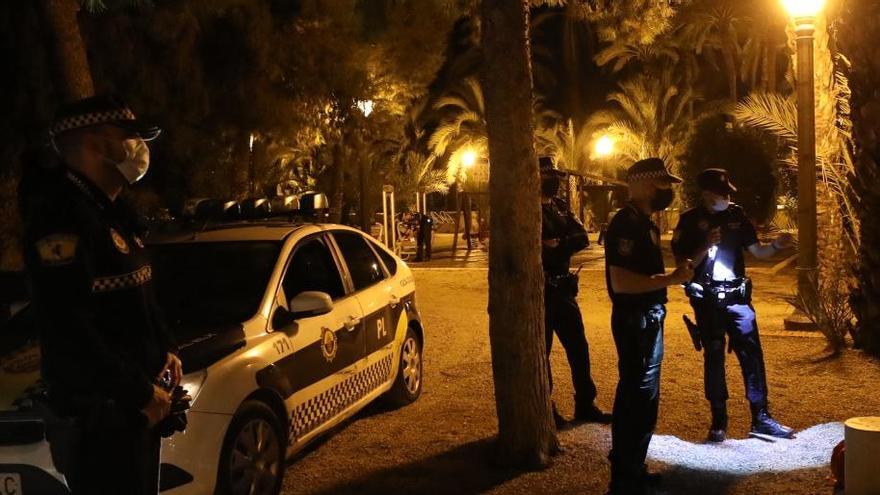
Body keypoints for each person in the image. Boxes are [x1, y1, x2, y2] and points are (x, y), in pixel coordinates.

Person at [21, 94, 180, 494]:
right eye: (127, 135)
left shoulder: (111, 212)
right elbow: (69, 326)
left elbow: (137, 293)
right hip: (102, 417)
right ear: (95, 144)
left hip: (136, 411)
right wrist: (139, 392)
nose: (139, 147)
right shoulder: (62, 219)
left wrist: (166, 348)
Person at [671, 168, 795, 443]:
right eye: (721, 193)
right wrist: (705, 244)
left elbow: (759, 252)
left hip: (738, 299)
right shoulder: (690, 221)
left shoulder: (736, 216)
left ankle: (761, 417)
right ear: (706, 193)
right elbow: (683, 264)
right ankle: (719, 422)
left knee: (752, 355)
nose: (726, 197)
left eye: (728, 192)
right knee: (714, 357)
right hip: (707, 300)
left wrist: (775, 245)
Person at [604, 157, 694, 495]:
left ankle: (634, 469)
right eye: (663, 184)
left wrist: (675, 275)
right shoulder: (625, 224)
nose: (668, 191)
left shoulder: (646, 224)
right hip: (634, 322)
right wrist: (671, 279)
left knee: (645, 400)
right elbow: (622, 281)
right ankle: (625, 478)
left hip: (650, 319)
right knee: (635, 399)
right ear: (642, 182)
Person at [539, 157, 609, 426]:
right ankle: (547, 408)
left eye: (554, 175)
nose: (553, 181)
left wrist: (557, 245)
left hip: (564, 289)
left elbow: (582, 238)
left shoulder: (560, 208)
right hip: (542, 291)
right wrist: (549, 246)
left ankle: (585, 403)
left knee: (578, 348)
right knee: (541, 352)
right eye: (547, 175)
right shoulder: (527, 210)